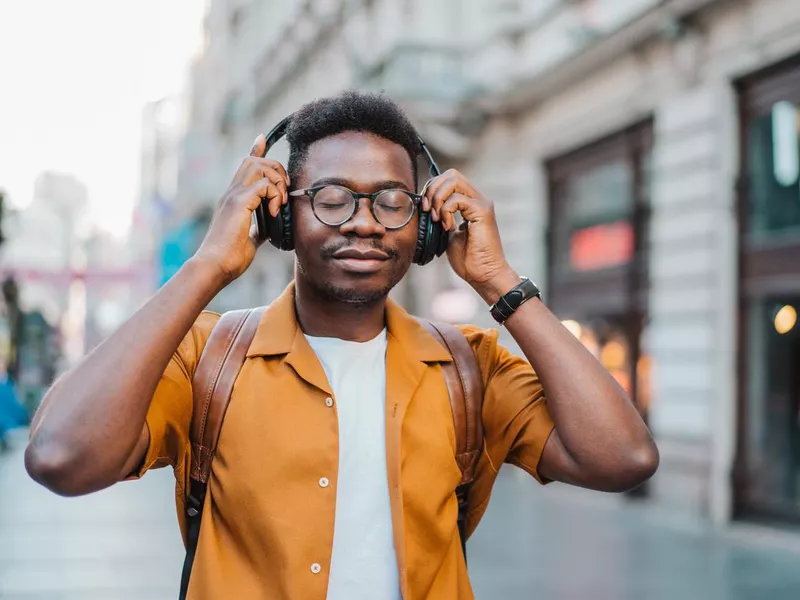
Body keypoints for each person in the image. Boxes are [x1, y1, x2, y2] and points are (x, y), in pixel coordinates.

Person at [24, 91, 658, 599]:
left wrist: (499, 282)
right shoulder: (204, 356)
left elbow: (622, 459)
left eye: (391, 202)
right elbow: (61, 458)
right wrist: (206, 267)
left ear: (427, 226)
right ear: (279, 215)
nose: (362, 220)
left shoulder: (471, 366)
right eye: (331, 200)